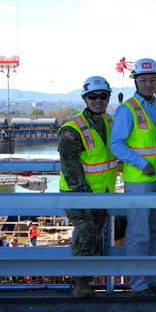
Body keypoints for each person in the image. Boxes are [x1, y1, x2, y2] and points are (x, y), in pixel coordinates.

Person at [109, 58, 156, 297]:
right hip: (139, 182)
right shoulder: (127, 110)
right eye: (143, 79)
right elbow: (117, 145)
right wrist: (141, 163)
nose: (148, 84)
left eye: (152, 79)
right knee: (138, 233)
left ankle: (151, 280)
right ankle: (138, 285)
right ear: (135, 81)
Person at [59, 76, 117, 299]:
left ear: (108, 97)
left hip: (103, 192)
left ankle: (87, 283)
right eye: (93, 96)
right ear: (85, 98)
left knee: (97, 235)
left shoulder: (111, 123)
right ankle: (80, 283)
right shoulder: (72, 129)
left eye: (103, 96)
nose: (98, 100)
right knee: (85, 232)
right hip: (78, 193)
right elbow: (69, 164)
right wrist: (83, 194)